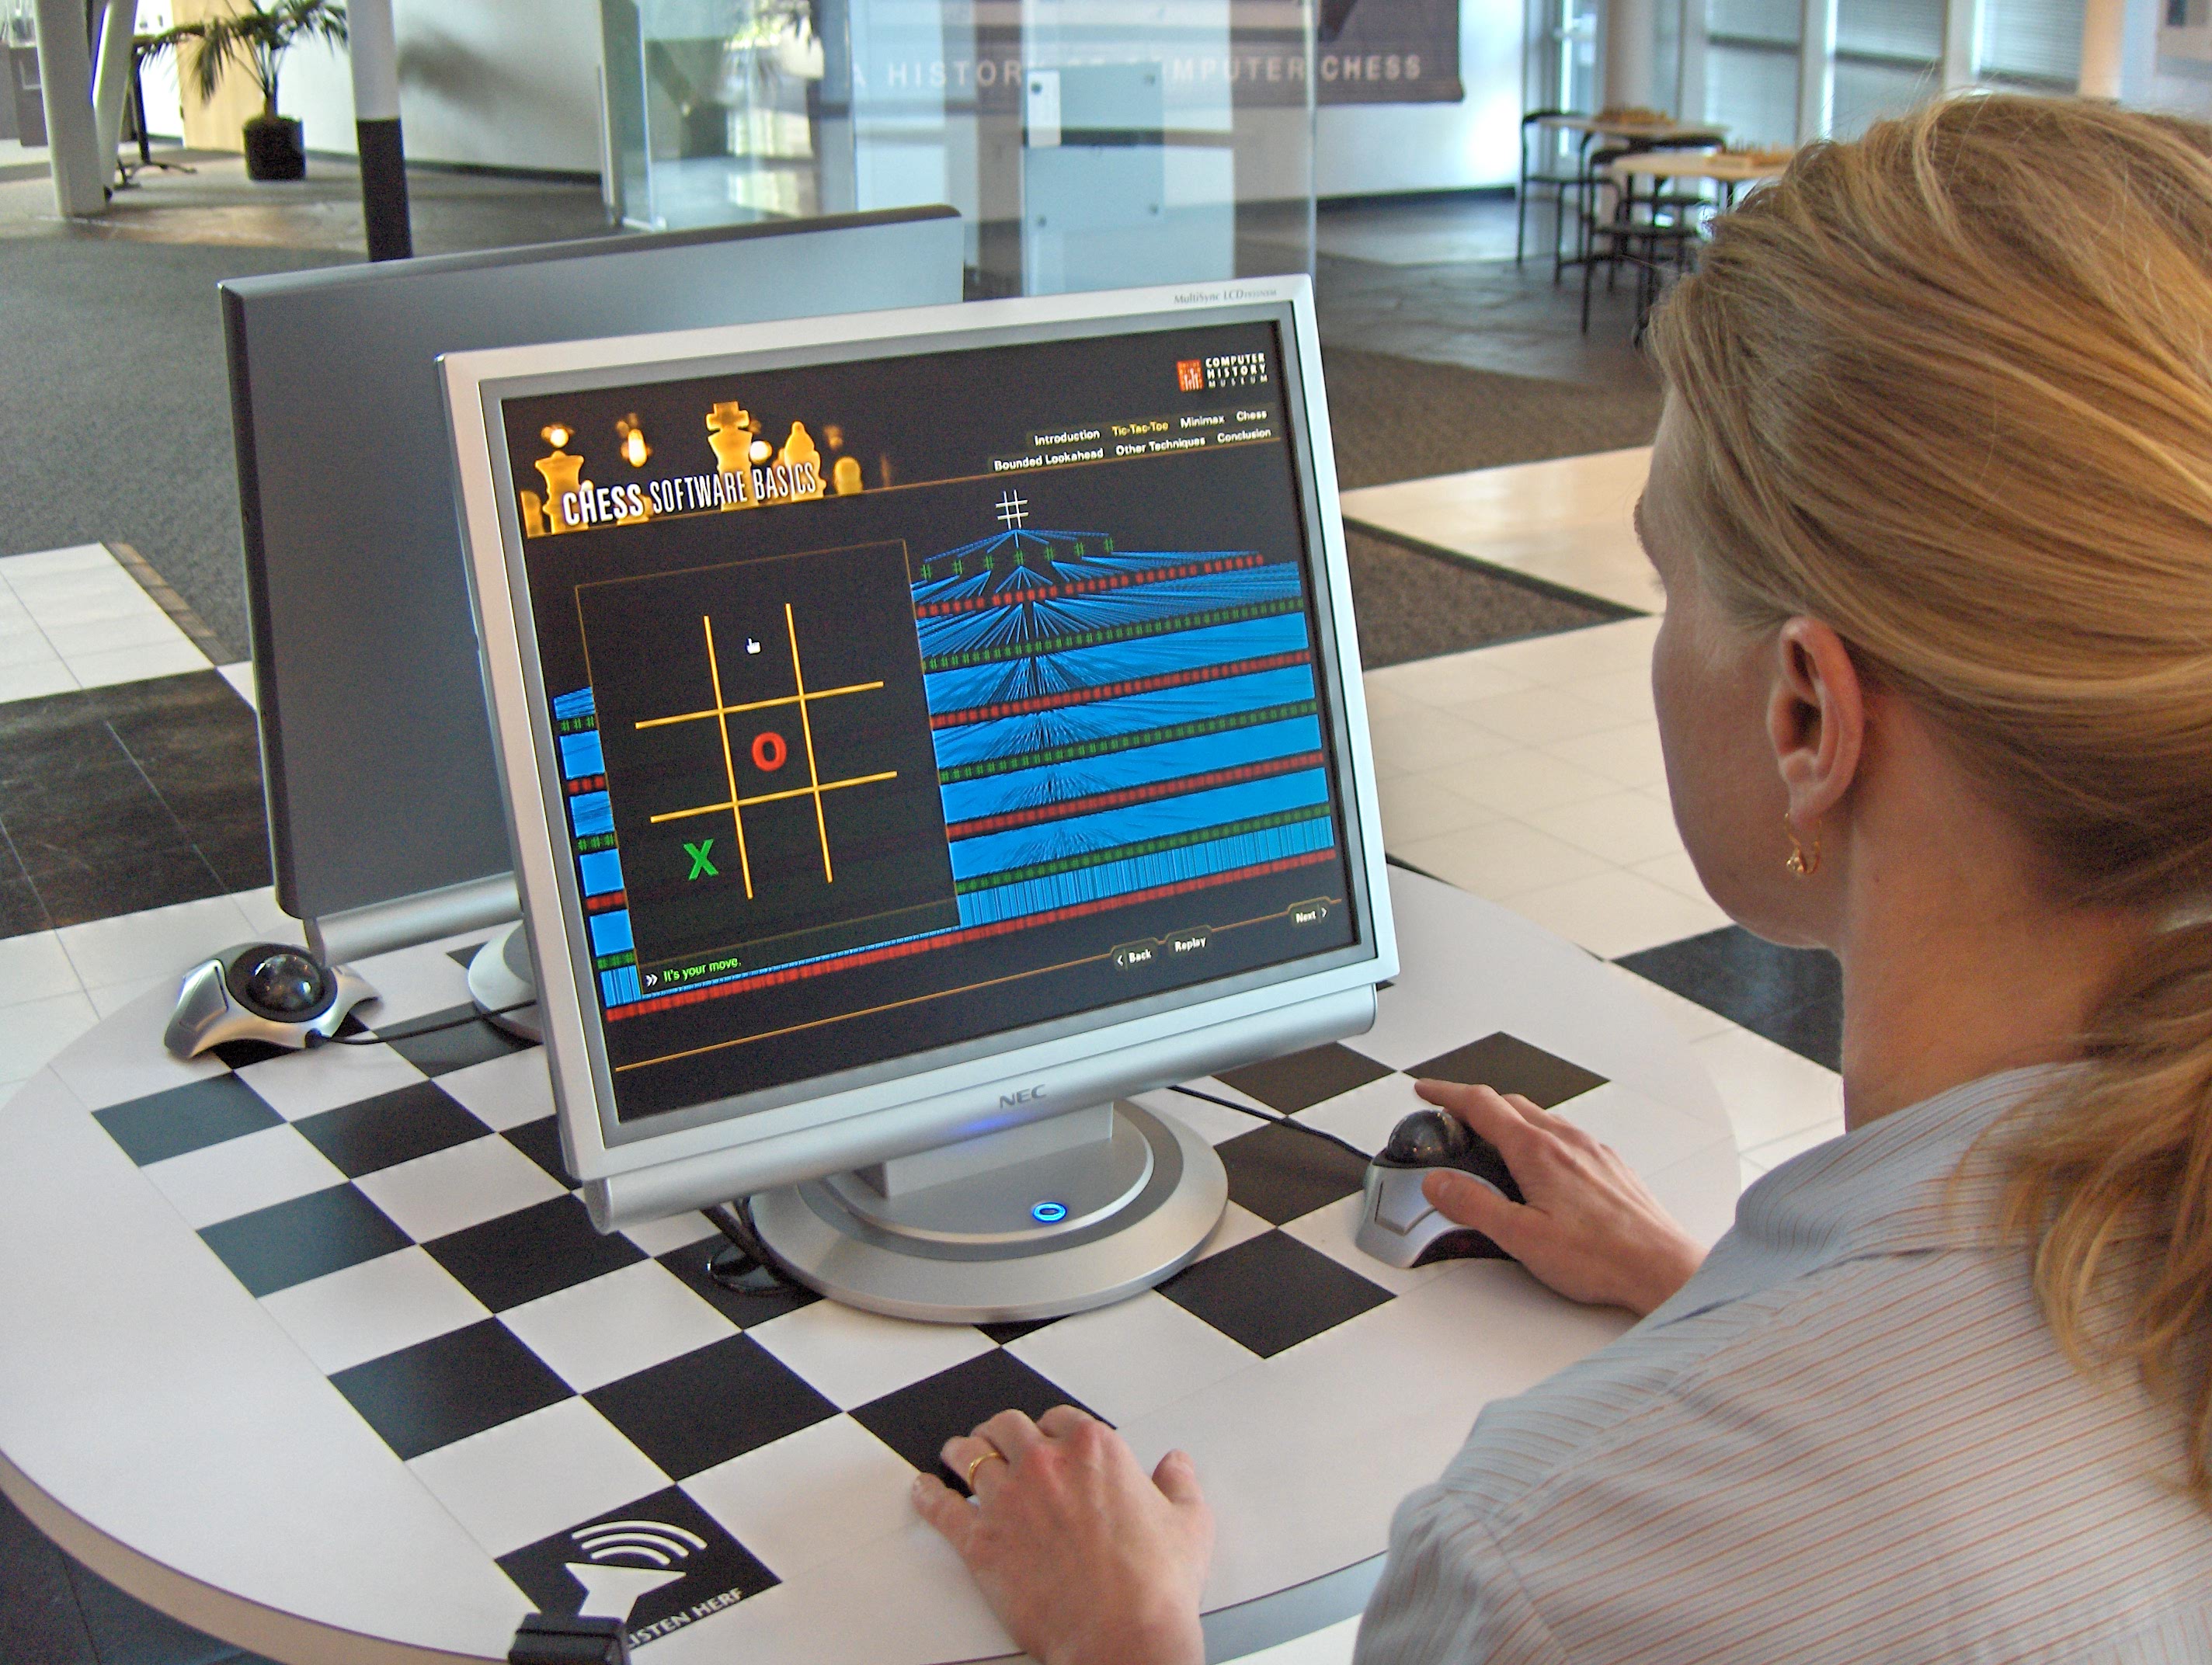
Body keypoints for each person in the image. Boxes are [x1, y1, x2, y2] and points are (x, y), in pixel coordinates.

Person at [909, 94, 2212, 1663]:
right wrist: (1708, 1300)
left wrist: (1121, 1631)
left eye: (1668, 583)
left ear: (1806, 717)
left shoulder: (1558, 1561)